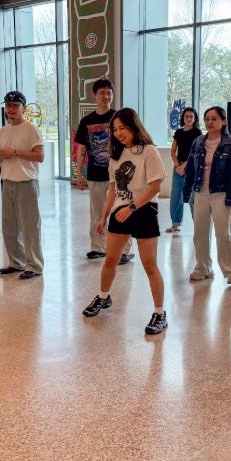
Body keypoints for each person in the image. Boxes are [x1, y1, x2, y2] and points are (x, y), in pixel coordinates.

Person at [82, 108, 168, 335]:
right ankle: (103, 297)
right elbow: (113, 188)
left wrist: (132, 207)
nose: (119, 133)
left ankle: (160, 313)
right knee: (110, 259)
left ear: (134, 126)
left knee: (149, 264)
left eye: (123, 128)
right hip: (121, 212)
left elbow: (155, 187)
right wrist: (104, 215)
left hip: (144, 210)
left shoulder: (149, 151)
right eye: (115, 129)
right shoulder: (116, 155)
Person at [74, 78, 133, 264]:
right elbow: (81, 150)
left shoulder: (119, 119)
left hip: (119, 175)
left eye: (109, 93)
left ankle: (124, 250)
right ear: (94, 96)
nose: (106, 96)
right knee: (97, 212)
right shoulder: (86, 121)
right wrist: (79, 174)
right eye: (102, 93)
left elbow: (129, 145)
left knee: (121, 211)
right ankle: (97, 247)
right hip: (95, 173)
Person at [182, 106, 231, 285]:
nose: (210, 122)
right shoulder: (198, 142)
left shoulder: (230, 143)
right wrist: (188, 191)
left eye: (214, 119)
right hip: (200, 191)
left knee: (223, 234)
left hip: (222, 193)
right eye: (207, 119)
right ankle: (203, 268)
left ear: (223, 121)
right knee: (199, 233)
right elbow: (191, 169)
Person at [0, 91, 44, 279]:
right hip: (7, 182)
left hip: (26, 183)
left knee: (30, 226)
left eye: (14, 105)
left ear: (23, 107)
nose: (10, 109)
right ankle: (16, 262)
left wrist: (15, 152)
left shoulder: (31, 129)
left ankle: (35, 265)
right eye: (8, 105)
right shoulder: (2, 132)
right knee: (9, 226)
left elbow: (40, 156)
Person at [167, 107, 202, 233]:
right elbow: (172, 151)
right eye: (186, 116)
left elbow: (197, 152)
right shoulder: (178, 132)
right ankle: (175, 224)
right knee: (176, 195)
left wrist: (184, 166)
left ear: (194, 119)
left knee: (194, 196)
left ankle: (198, 225)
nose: (188, 119)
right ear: (183, 118)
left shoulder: (197, 133)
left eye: (191, 117)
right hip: (178, 167)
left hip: (192, 167)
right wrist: (178, 166)